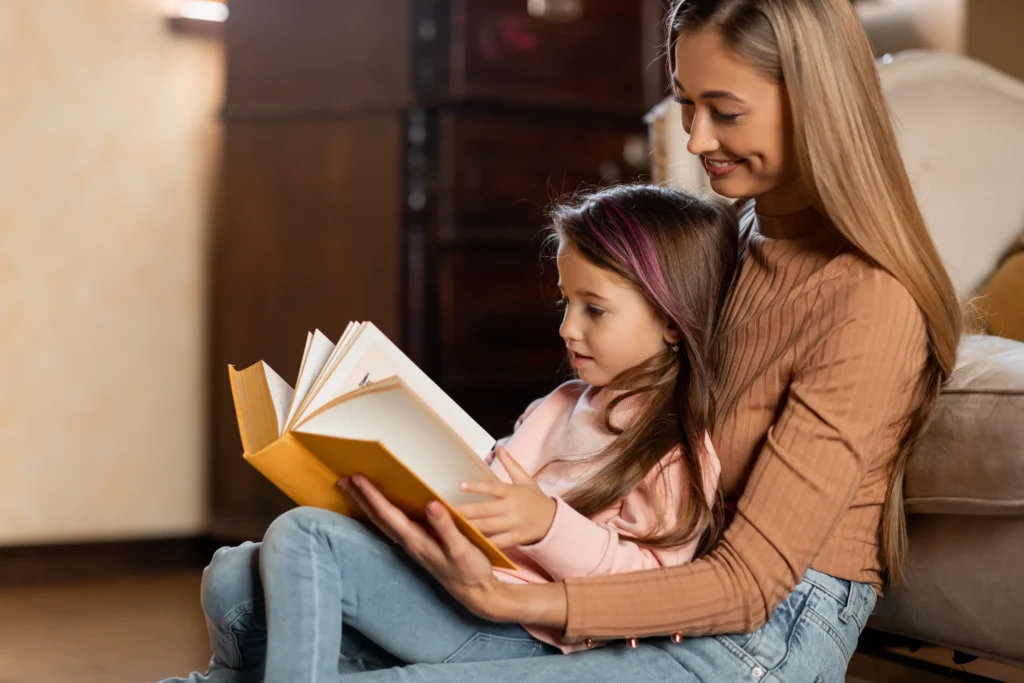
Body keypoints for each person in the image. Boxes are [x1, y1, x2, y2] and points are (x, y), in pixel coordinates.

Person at [332, 0, 964, 681]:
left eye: (724, 110)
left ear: (816, 102)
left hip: (765, 630)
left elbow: (750, 583)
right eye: (686, 104)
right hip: (658, 591)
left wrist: (517, 596)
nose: (695, 141)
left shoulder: (869, 302)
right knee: (263, 597)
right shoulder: (734, 239)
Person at [155, 184, 738, 683]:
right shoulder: (559, 406)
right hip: (452, 591)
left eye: (595, 309)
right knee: (235, 573)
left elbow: (659, 589)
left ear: (670, 320)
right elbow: (480, 487)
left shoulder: (676, 446)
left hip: (524, 634)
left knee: (304, 536)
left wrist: (548, 526)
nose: (567, 328)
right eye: (566, 302)